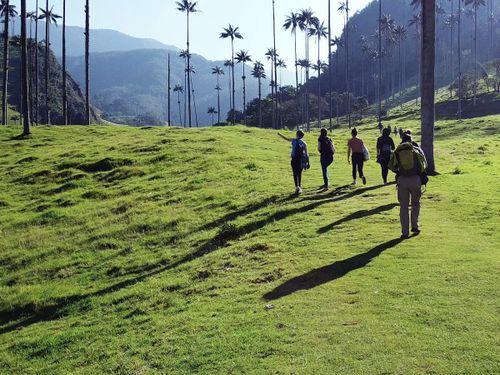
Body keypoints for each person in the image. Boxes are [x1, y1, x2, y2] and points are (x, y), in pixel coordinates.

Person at [389, 134, 428, 239]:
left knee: (403, 207)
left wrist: (400, 171)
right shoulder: (416, 150)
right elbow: (424, 165)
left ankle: (404, 232)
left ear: (402, 140)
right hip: (415, 179)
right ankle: (415, 226)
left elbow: (391, 166)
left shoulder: (397, 151)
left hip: (402, 180)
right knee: (415, 203)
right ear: (411, 140)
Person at [278, 130, 309, 194]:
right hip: (301, 160)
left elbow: (286, 138)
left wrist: (280, 135)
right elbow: (306, 154)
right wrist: (308, 162)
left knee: (295, 173)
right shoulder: (304, 143)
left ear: (297, 135)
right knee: (300, 174)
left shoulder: (294, 140)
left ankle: (297, 187)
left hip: (294, 160)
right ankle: (299, 187)